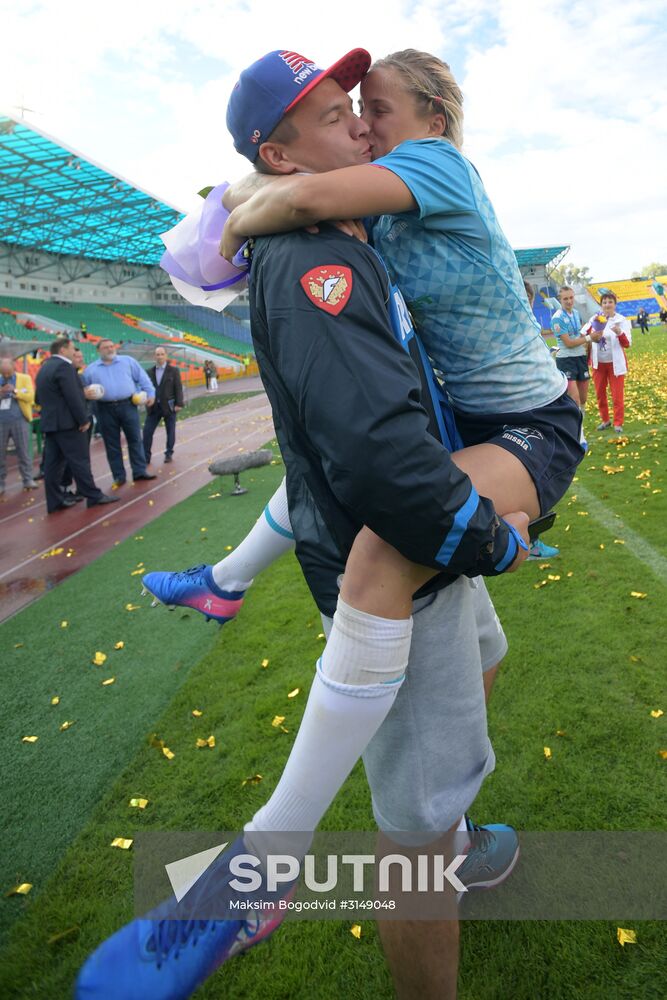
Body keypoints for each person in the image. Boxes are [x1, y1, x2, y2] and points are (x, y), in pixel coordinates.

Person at [77, 48, 525, 1000]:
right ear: (281, 160)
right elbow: (377, 457)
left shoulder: (348, 223)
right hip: (411, 544)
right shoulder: (316, 249)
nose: (361, 126)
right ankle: (278, 874)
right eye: (336, 117)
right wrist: (486, 537)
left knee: (484, 655)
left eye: (364, 108)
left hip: (407, 514)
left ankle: (447, 830)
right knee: (412, 830)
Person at [34, 338, 118, 512]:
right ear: (63, 350)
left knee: (52, 465)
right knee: (80, 461)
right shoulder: (64, 367)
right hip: (68, 425)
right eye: (72, 349)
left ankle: (55, 501)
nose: (75, 352)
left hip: (51, 424)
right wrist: (84, 420)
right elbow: (73, 397)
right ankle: (93, 496)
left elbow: (37, 398)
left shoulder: (45, 368)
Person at [80, 339, 156, 486]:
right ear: (98, 351)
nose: (110, 349)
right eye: (106, 347)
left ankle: (139, 471)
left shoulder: (128, 361)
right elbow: (83, 390)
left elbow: (143, 378)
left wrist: (151, 393)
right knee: (112, 443)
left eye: (111, 346)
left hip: (128, 405)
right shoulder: (91, 370)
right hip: (104, 408)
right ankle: (119, 476)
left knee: (134, 439)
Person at [584, 292, 632, 434]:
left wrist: (619, 333)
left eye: (610, 302)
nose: (607, 305)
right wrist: (591, 335)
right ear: (601, 305)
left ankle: (618, 422)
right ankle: (605, 420)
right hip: (598, 364)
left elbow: (627, 343)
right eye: (604, 302)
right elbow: (584, 334)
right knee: (600, 394)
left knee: (617, 395)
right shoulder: (595, 319)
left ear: (615, 304)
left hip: (615, 364)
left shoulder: (621, 320)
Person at [0, 357, 37, 496]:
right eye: (3, 374)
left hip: (20, 419)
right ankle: (1, 483)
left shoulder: (24, 378)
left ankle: (28, 479)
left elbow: (31, 397)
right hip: (1, 421)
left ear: (14, 367)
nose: (6, 376)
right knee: (0, 454)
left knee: (23, 451)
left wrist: (15, 391)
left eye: (8, 373)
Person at [142, 347, 184, 465]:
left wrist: (179, 403)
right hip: (153, 408)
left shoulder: (174, 371)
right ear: (154, 357)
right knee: (147, 432)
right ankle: (146, 456)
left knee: (170, 431)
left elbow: (178, 388)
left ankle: (169, 453)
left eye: (162, 354)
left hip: (169, 406)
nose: (159, 356)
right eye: (157, 354)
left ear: (166, 356)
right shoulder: (149, 372)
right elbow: (145, 388)